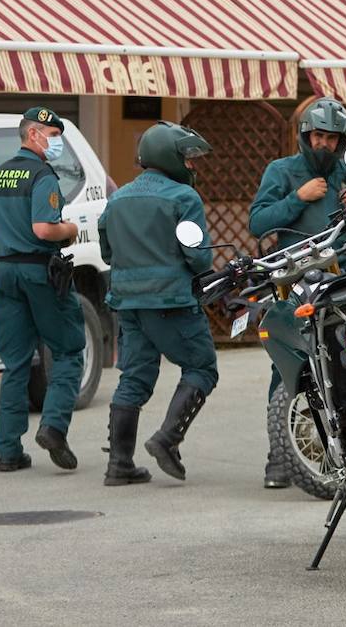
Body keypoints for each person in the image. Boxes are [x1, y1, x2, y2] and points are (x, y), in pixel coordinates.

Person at [249, 97, 346, 489]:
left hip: (345, 280)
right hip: (293, 281)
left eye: (332, 138)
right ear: (305, 136)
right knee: (288, 362)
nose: (324, 144)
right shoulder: (282, 171)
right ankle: (281, 456)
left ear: (343, 140)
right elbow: (258, 222)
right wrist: (296, 198)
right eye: (317, 135)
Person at [98, 121, 218, 485]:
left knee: (134, 376)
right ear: (171, 157)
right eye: (188, 158)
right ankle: (167, 439)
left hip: (128, 305)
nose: (192, 166)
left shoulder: (117, 199)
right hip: (172, 302)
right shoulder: (184, 198)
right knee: (201, 368)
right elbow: (198, 258)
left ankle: (119, 464)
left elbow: (107, 252)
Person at [0, 107, 85, 473]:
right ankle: (53, 426)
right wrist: (69, 229)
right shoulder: (43, 177)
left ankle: (8, 451)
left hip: (5, 274)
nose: (57, 143)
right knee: (69, 350)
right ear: (34, 133)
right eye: (54, 136)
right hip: (40, 274)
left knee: (16, 363)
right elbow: (43, 229)